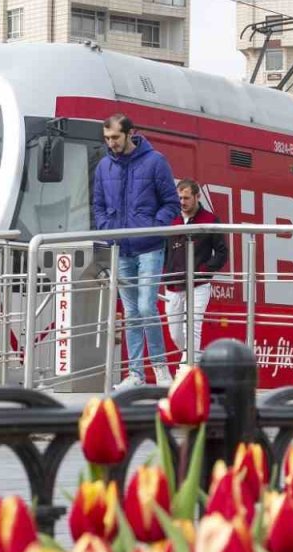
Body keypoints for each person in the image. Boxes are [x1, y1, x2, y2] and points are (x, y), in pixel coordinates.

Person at [92, 113, 180, 389]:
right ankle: (136, 374)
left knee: (145, 306)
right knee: (131, 312)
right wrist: (108, 228)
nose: (111, 143)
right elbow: (97, 205)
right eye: (107, 138)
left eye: (115, 137)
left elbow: (171, 203)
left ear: (130, 134)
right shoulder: (104, 166)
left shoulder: (155, 161)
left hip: (150, 247)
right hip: (121, 247)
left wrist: (155, 227)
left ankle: (160, 368)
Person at [163, 179, 228, 370]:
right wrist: (165, 273)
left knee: (192, 328)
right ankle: (195, 363)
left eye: (186, 198)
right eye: (180, 198)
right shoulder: (173, 221)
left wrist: (204, 272)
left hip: (198, 285)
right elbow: (167, 250)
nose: (182, 202)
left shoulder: (210, 220)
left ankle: (186, 370)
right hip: (173, 285)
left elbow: (222, 252)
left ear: (197, 197)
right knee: (175, 333)